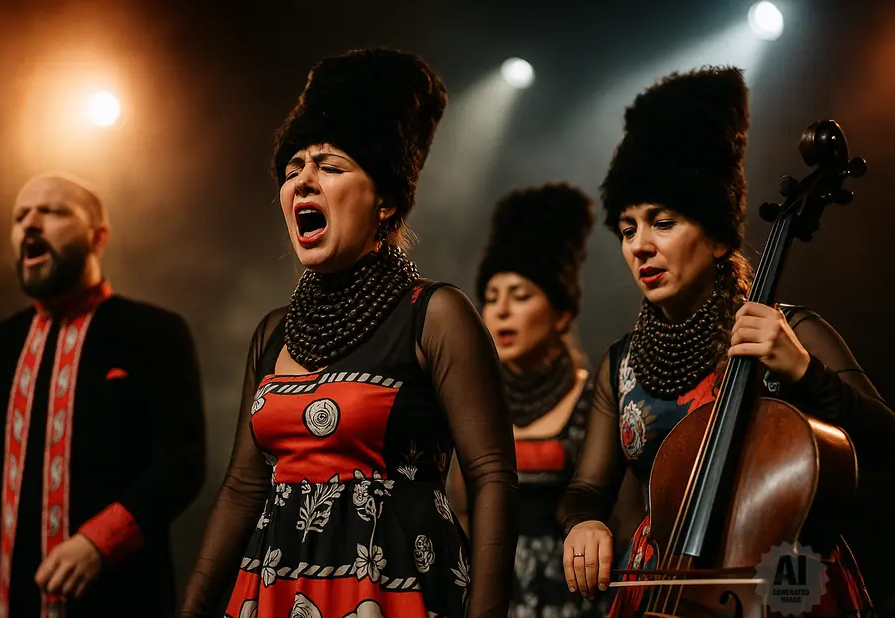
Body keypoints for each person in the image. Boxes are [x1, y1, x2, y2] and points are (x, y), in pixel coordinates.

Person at [176, 48, 519, 618]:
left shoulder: (435, 315)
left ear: (385, 202)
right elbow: (242, 488)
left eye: (331, 167)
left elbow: (491, 477)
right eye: (292, 170)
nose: (303, 181)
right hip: (276, 591)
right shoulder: (273, 332)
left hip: (394, 590)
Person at [556, 66, 892, 616]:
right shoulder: (620, 365)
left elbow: (888, 444)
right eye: (628, 228)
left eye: (662, 222)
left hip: (780, 586)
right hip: (661, 589)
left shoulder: (792, 332)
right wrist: (583, 522)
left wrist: (805, 373)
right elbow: (587, 489)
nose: (640, 246)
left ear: (715, 238)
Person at [0, 174, 207, 618]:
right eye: (20, 216)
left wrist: (98, 543)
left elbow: (182, 463)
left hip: (118, 602)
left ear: (98, 237)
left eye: (53, 211)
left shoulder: (154, 332)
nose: (30, 223)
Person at [446, 183, 613, 618]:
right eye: (491, 298)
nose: (501, 311)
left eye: (520, 296)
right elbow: (462, 515)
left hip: (578, 601)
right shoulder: (473, 405)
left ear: (561, 314)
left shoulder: (594, 400)